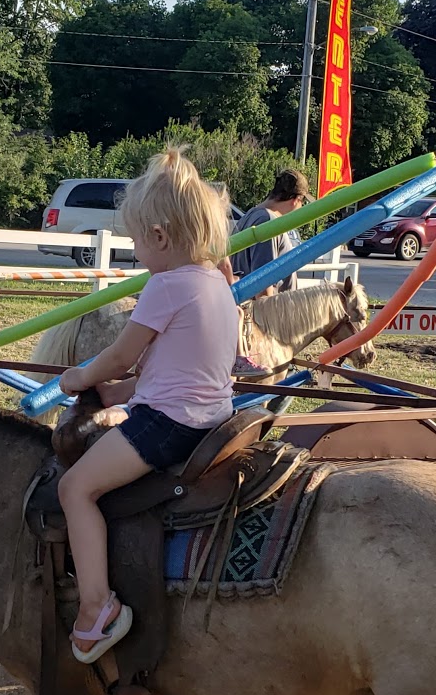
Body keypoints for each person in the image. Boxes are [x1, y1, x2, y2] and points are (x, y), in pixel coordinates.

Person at [58, 148, 238, 665]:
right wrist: (122, 394)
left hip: (168, 426)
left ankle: (97, 607)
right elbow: (186, 367)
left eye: (138, 241)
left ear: (159, 237)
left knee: (76, 488)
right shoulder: (218, 285)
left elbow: (119, 355)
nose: (137, 253)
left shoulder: (166, 284)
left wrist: (81, 376)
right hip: (212, 419)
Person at [229, 168, 310, 297]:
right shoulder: (268, 222)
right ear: (296, 200)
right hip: (269, 313)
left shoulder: (249, 215)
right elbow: (263, 286)